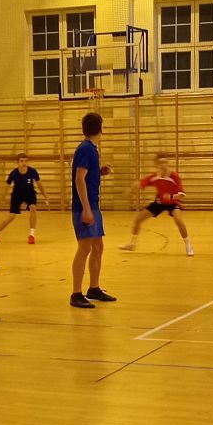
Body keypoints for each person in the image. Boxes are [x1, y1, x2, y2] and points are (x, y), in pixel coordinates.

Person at [70, 113, 116, 309]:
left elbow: (86, 175)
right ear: (100, 128)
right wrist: (86, 209)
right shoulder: (86, 149)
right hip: (85, 207)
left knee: (98, 247)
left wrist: (99, 171)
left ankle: (94, 288)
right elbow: (79, 179)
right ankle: (76, 294)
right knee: (85, 248)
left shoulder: (90, 149)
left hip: (93, 205)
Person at [119, 154, 194, 256]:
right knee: (138, 219)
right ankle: (132, 244)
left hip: (173, 202)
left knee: (178, 220)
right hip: (159, 202)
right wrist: (130, 189)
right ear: (156, 165)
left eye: (165, 162)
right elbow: (141, 183)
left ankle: (188, 245)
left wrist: (171, 197)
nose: (163, 165)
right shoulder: (154, 177)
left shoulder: (174, 176)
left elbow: (182, 195)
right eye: (160, 163)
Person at [0, 153, 49, 244]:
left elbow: (40, 185)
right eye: (22, 161)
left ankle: (31, 235)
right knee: (11, 216)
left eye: (26, 161)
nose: (24, 163)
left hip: (29, 193)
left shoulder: (32, 171)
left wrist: (46, 197)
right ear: (17, 162)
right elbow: (5, 189)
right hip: (17, 195)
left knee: (33, 208)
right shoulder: (13, 173)